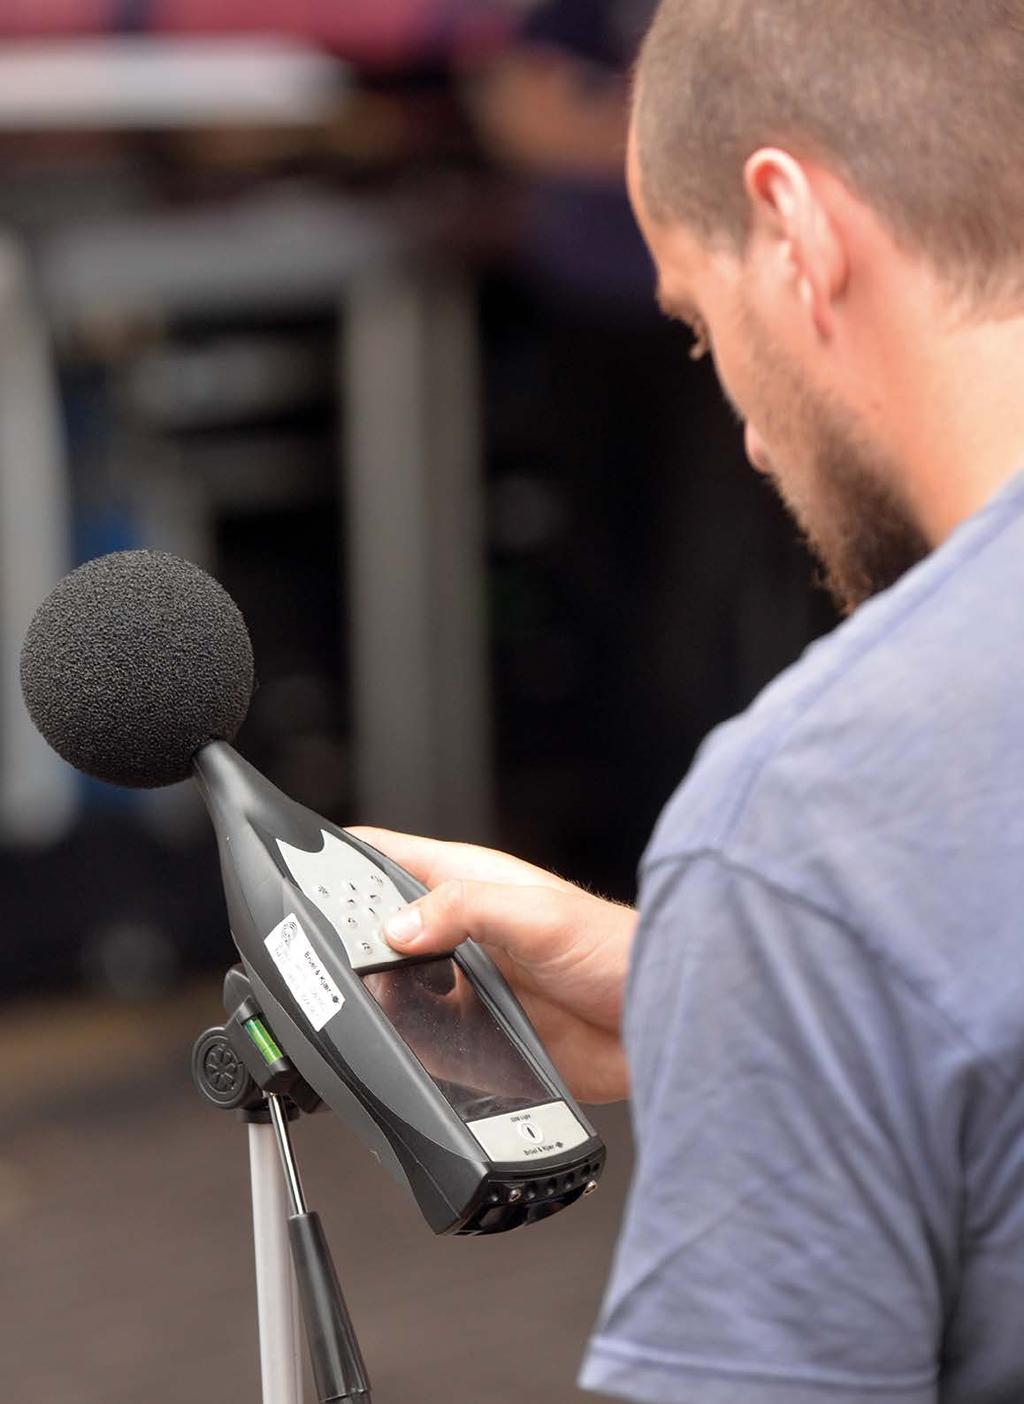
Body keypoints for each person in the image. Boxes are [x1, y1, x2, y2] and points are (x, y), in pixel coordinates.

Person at [353, 2, 1024, 1399]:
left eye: (702, 326)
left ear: (794, 232)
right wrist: (711, 983)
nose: (750, 425)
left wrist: (783, 923)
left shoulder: (818, 810)